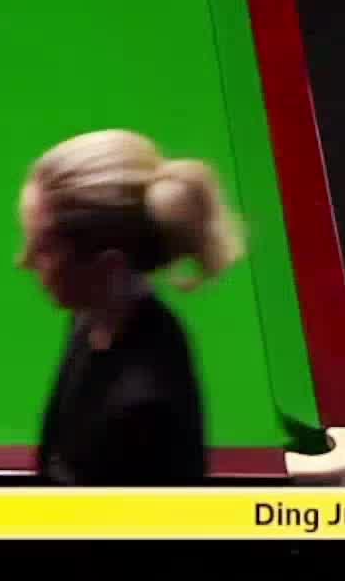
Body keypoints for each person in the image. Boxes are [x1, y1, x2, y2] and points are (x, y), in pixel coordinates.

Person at [14, 129, 244, 486]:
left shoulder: (144, 410)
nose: (25, 262)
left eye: (43, 248)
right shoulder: (92, 317)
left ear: (109, 267)